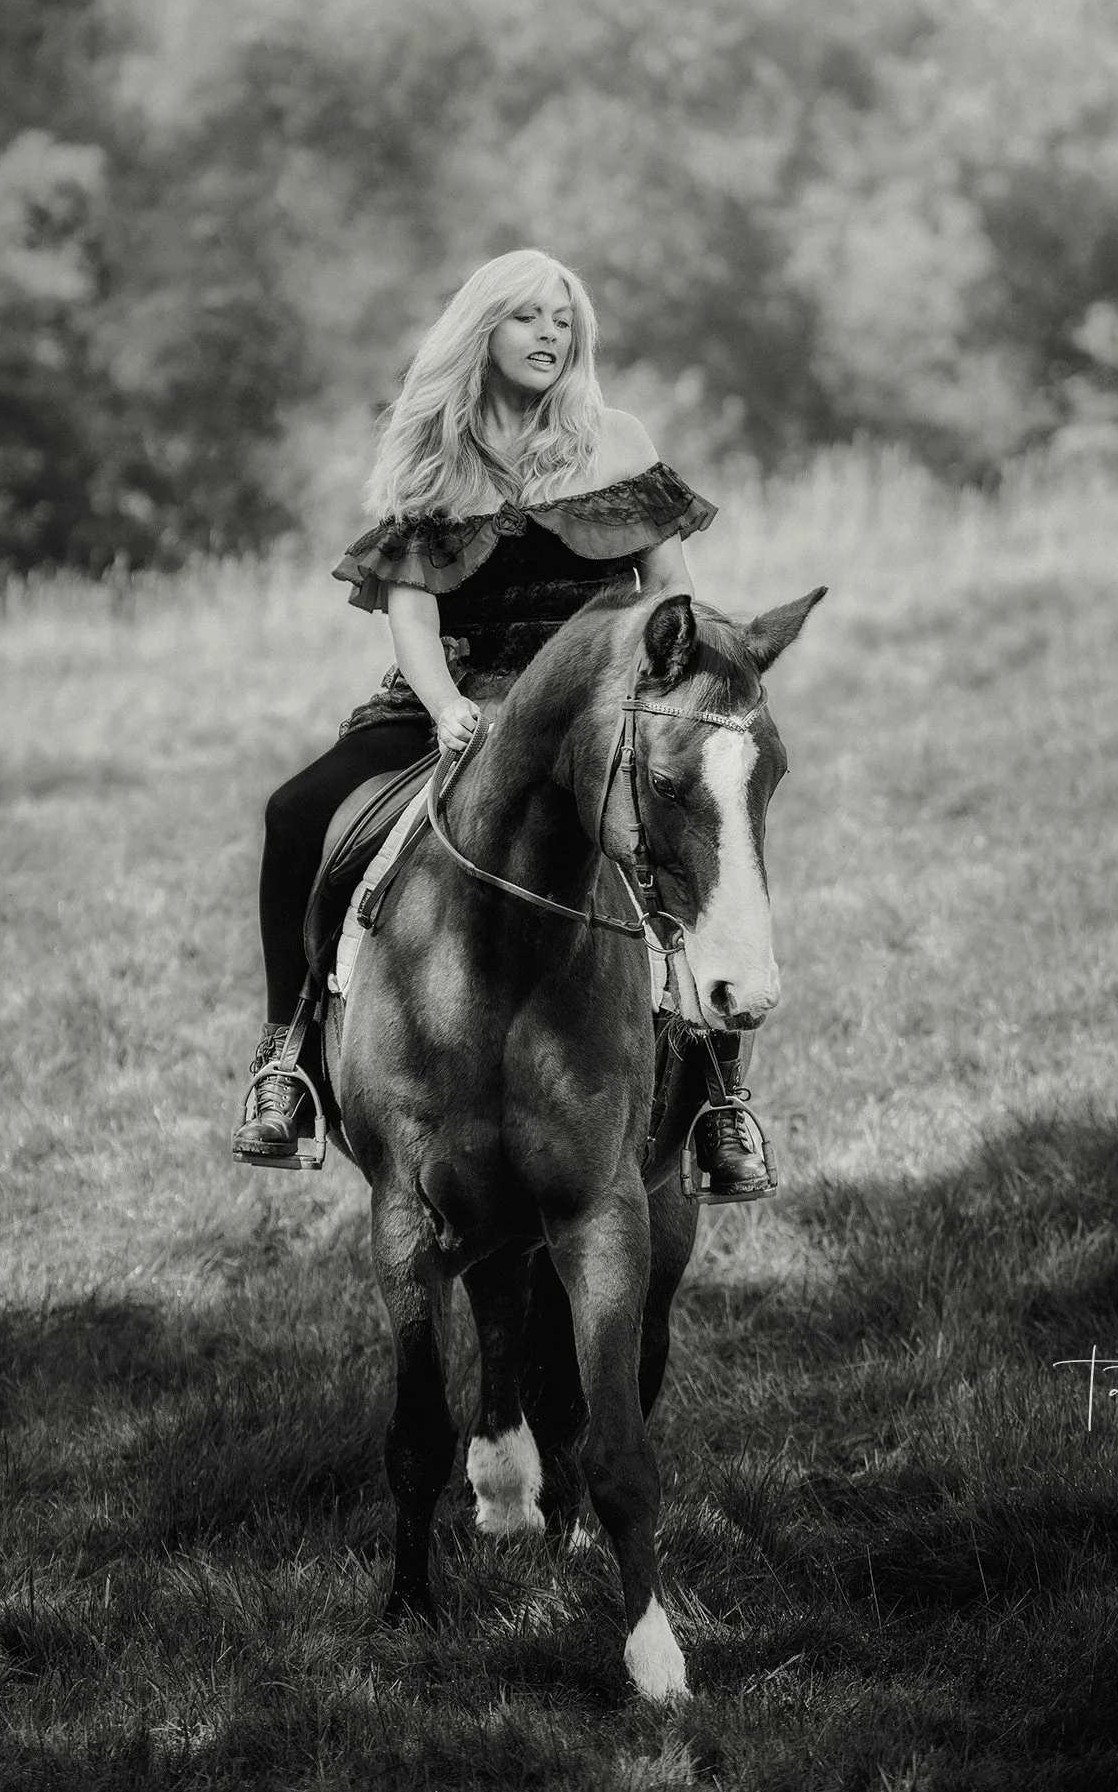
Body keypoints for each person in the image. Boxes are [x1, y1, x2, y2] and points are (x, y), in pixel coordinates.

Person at [232, 245, 773, 1198]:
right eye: (529, 318)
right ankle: (287, 1062)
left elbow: (669, 591)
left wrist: (658, 686)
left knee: (693, 826)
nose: (551, 336)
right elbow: (412, 612)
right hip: (459, 698)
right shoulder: (432, 454)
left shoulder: (618, 439)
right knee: (293, 814)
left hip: (592, 705)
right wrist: (445, 708)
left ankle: (718, 1099)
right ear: (483, 331)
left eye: (565, 321)